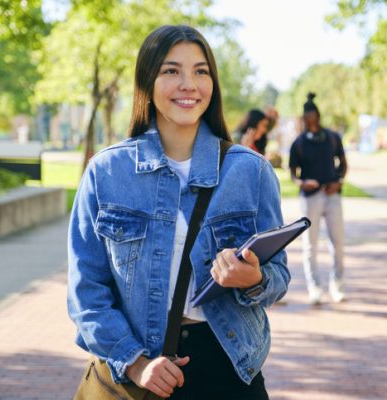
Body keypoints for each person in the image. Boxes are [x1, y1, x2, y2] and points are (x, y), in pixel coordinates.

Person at [68, 25, 289, 400]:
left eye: (201, 71)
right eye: (172, 71)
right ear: (148, 82)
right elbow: (86, 293)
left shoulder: (250, 171)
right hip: (139, 370)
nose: (189, 84)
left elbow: (279, 275)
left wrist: (253, 279)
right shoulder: (106, 173)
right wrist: (136, 363)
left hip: (229, 367)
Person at [288, 92, 348, 305]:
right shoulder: (299, 143)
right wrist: (303, 183)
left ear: (318, 116)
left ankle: (337, 285)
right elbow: (293, 174)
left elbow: (343, 162)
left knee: (337, 242)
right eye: (307, 118)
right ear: (304, 118)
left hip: (332, 196)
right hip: (310, 197)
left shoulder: (332, 137)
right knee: (310, 245)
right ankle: (314, 288)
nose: (310, 121)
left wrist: (339, 181)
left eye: (313, 116)